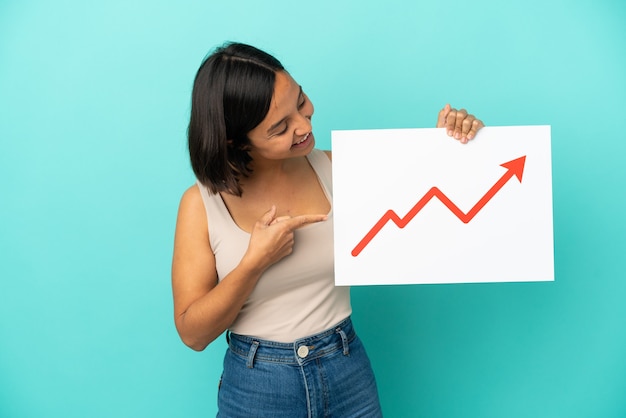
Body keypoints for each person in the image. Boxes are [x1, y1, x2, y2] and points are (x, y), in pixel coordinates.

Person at [171, 42, 484, 418]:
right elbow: (193, 333)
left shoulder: (342, 169)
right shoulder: (202, 204)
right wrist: (254, 263)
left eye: (300, 101)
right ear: (237, 142)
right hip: (258, 386)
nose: (304, 126)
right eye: (280, 127)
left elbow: (431, 204)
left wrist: (450, 145)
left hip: (346, 370)